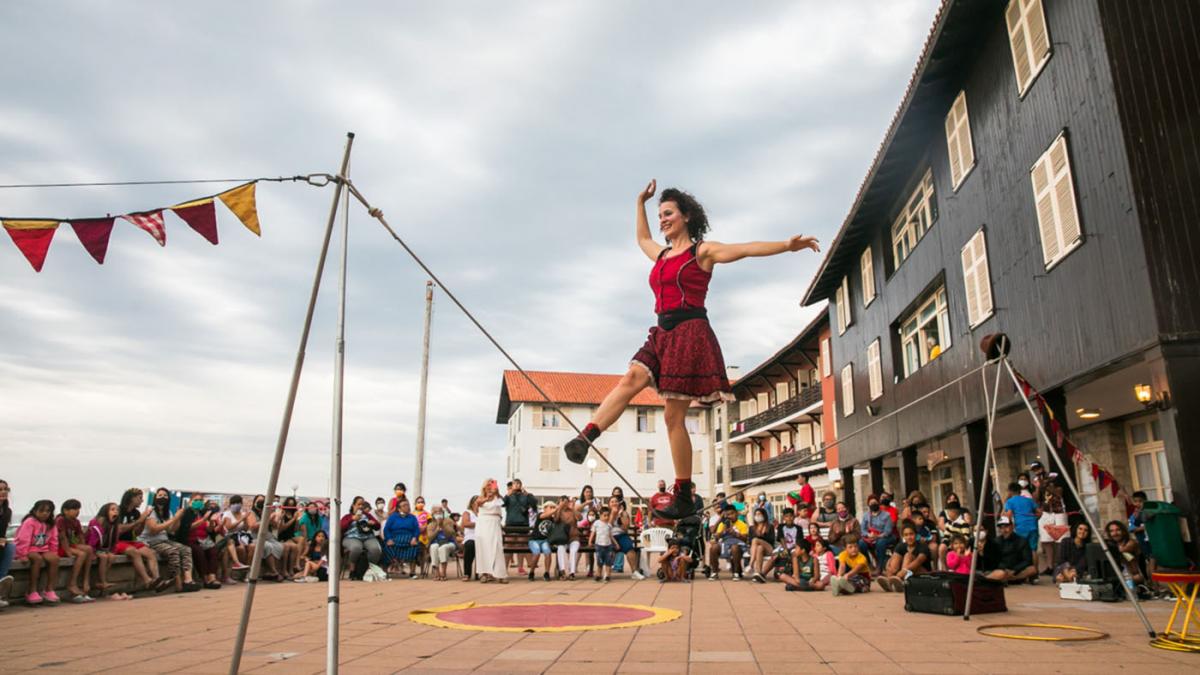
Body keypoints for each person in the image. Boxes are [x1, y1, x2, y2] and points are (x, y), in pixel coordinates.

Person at [561, 180, 820, 521]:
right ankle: (586, 438)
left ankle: (683, 493)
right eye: (659, 215)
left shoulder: (702, 252)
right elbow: (641, 239)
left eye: (667, 213)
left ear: (685, 217)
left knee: (673, 417)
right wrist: (639, 202)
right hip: (662, 330)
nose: (662, 220)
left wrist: (787, 245)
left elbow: (745, 248)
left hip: (689, 331)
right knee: (631, 378)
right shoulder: (662, 254)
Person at [142, 487, 200, 592]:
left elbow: (171, 530)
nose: (163, 497)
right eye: (160, 495)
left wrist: (177, 518)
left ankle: (188, 580)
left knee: (186, 549)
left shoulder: (167, 512)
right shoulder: (151, 511)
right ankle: (177, 583)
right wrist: (174, 518)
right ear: (155, 497)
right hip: (151, 541)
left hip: (164, 540)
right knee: (173, 551)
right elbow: (153, 530)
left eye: (165, 495)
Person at [15, 499, 61, 605]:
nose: (45, 513)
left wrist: (53, 552)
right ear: (35, 511)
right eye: (41, 511)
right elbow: (23, 539)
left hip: (43, 548)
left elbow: (54, 539)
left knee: (54, 559)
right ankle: (32, 590)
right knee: (37, 559)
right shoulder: (29, 522)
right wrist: (23, 555)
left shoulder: (51, 524)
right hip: (29, 548)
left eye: (48, 511)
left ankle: (49, 589)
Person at [116, 489, 161, 590]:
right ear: (131, 498)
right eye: (139, 498)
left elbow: (137, 533)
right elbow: (119, 529)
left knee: (150, 553)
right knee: (134, 552)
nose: (142, 500)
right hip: (116, 541)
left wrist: (143, 521)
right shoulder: (119, 510)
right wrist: (138, 521)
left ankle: (157, 580)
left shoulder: (135, 513)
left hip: (130, 541)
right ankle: (147, 580)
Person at [54, 499, 94, 602]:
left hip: (69, 544)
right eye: (74, 509)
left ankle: (86, 580)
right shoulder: (60, 520)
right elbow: (62, 538)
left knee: (88, 549)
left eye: (78, 509)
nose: (77, 511)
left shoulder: (76, 522)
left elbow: (80, 537)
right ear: (65, 510)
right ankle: (72, 583)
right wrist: (69, 552)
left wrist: (84, 545)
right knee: (81, 554)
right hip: (59, 547)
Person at [86, 503, 127, 600]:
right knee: (104, 557)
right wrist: (92, 552)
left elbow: (114, 541)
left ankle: (101, 580)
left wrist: (112, 551)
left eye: (117, 510)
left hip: (104, 549)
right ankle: (103, 581)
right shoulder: (96, 523)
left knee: (111, 557)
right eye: (112, 509)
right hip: (93, 548)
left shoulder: (114, 525)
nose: (115, 511)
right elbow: (91, 541)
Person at [978, 517, 1037, 584]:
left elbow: (1027, 560)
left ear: (1012, 526)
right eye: (1001, 528)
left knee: (1032, 569)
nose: (1004, 530)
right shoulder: (996, 541)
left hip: (1016, 571)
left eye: (1006, 527)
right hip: (1001, 570)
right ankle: (996, 579)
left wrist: (1014, 570)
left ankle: (1009, 579)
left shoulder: (1022, 541)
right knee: (1000, 573)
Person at [876, 523, 932, 592]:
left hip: (923, 574)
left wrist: (902, 573)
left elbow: (918, 561)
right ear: (903, 537)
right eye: (906, 535)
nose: (909, 537)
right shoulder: (901, 546)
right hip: (905, 573)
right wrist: (889, 569)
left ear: (916, 535)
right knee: (894, 565)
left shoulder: (923, 546)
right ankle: (889, 582)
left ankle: (899, 582)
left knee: (908, 555)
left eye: (911, 534)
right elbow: (893, 558)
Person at [1002, 481, 1041, 571]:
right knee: (1033, 550)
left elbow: (1008, 515)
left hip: (1020, 527)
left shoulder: (1010, 502)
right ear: (1020, 491)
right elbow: (1039, 512)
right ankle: (1035, 574)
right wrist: (1035, 519)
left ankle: (1024, 571)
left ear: (1010, 491)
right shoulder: (1029, 500)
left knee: (1021, 550)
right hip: (1033, 526)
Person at [340, 496, 382, 580]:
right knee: (356, 548)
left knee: (376, 550)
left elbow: (378, 526)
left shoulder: (367, 515)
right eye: (358, 504)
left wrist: (373, 523)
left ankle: (368, 570)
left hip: (368, 537)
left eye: (362, 504)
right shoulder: (347, 516)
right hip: (351, 538)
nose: (361, 506)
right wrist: (352, 519)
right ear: (353, 505)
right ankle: (352, 569)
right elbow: (341, 527)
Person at [474, 479, 507, 584]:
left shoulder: (498, 497)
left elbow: (503, 503)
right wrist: (486, 498)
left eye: (491, 485)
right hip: (483, 524)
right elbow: (477, 504)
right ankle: (484, 573)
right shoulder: (480, 498)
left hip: (494, 523)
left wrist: (496, 493)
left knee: (497, 547)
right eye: (487, 485)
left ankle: (500, 574)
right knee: (483, 548)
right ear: (484, 487)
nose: (489, 487)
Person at [187, 499, 223, 590]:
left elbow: (209, 530)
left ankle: (212, 577)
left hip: (204, 539)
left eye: (200, 500)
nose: (198, 502)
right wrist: (203, 520)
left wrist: (211, 521)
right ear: (190, 501)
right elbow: (188, 528)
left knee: (213, 550)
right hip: (191, 539)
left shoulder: (202, 514)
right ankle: (205, 578)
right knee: (199, 551)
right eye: (196, 500)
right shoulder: (187, 514)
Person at [706, 503, 748, 581]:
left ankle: (736, 573)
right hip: (725, 545)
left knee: (734, 547)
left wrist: (735, 534)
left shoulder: (742, 524)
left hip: (738, 546)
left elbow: (745, 539)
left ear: (736, 513)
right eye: (728, 514)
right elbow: (716, 537)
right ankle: (714, 572)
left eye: (732, 513)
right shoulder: (723, 524)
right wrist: (723, 531)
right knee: (713, 548)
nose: (730, 516)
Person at [503, 479, 536, 573]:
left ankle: (520, 567)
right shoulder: (509, 496)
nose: (516, 485)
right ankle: (504, 569)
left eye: (518, 484)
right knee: (508, 546)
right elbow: (501, 503)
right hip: (510, 524)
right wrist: (508, 494)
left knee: (521, 546)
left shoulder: (525, 496)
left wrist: (528, 494)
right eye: (515, 484)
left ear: (521, 485)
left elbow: (534, 504)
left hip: (523, 524)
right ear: (511, 486)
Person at [1037, 477, 1068, 575]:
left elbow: (1058, 493)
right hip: (1046, 514)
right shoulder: (1042, 489)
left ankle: (1061, 565)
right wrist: (1040, 487)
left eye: (1049, 482)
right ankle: (1050, 566)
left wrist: (1046, 485)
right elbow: (1037, 498)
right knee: (1046, 541)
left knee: (1061, 540)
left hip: (1059, 513)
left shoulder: (1058, 488)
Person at [383, 499, 421, 577]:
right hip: (395, 537)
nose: (407, 507)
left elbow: (416, 529)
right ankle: (385, 571)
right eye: (404, 505)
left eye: (408, 505)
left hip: (409, 538)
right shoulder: (393, 517)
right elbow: (386, 529)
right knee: (387, 547)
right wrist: (389, 539)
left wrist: (414, 538)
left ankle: (412, 572)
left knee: (415, 546)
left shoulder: (412, 517)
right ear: (399, 508)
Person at [859, 495, 894, 574]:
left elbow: (888, 531)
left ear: (878, 503)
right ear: (868, 505)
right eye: (871, 503)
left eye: (875, 502)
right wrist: (868, 535)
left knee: (880, 542)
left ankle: (879, 566)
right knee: (861, 543)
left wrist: (877, 536)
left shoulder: (886, 515)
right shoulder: (866, 515)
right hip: (870, 537)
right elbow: (862, 530)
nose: (873, 504)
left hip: (885, 537)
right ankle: (869, 564)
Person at [1105, 520, 1145, 586]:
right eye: (1111, 531)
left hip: (1135, 578)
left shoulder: (1131, 543)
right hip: (1119, 578)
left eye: (1118, 530)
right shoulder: (1113, 545)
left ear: (1123, 531)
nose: (1115, 533)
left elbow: (1122, 551)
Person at [426, 507, 458, 581]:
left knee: (443, 547)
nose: (438, 514)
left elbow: (452, 534)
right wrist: (437, 529)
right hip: (436, 543)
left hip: (449, 543)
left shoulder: (449, 521)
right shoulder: (430, 525)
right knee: (434, 547)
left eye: (440, 512)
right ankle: (437, 573)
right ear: (433, 515)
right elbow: (430, 538)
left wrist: (443, 526)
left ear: (443, 513)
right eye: (436, 512)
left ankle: (443, 572)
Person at [550, 505, 582, 580]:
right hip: (562, 538)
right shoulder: (558, 512)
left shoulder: (573, 511)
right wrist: (560, 507)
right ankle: (562, 571)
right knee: (560, 549)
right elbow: (555, 520)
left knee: (573, 551)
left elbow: (580, 518)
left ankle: (572, 573)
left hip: (574, 538)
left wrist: (573, 508)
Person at [528, 502, 557, 581]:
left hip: (544, 540)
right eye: (550, 507)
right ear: (545, 508)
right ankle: (531, 572)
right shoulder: (540, 515)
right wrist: (557, 508)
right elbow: (545, 515)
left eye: (553, 507)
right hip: (534, 540)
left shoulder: (553, 519)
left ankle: (547, 573)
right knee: (536, 553)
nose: (552, 509)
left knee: (548, 553)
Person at [747, 507, 776, 583]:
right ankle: (758, 573)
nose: (757, 516)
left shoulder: (770, 526)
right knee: (759, 548)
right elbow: (750, 541)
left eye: (759, 514)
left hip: (769, 548)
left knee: (755, 540)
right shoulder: (752, 528)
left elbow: (771, 540)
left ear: (764, 515)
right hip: (757, 549)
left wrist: (761, 537)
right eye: (756, 514)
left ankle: (751, 563)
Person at [589, 506, 615, 582]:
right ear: (600, 515)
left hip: (608, 546)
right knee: (599, 561)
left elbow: (610, 536)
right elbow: (593, 533)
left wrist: (616, 544)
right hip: (599, 546)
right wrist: (590, 541)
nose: (606, 517)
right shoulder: (596, 523)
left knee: (608, 561)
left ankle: (607, 575)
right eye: (604, 515)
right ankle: (598, 574)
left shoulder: (609, 525)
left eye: (608, 515)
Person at [0, 479, 12, 608]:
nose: (3, 492)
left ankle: (1, 583)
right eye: (0, 489)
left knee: (11, 547)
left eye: (5, 489)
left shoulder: (6, 511)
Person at [460, 496, 478, 582]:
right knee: (470, 545)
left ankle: (480, 573)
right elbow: (466, 523)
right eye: (476, 501)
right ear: (472, 503)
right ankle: (467, 573)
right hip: (470, 537)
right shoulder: (467, 512)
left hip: (482, 537)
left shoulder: (484, 512)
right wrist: (480, 523)